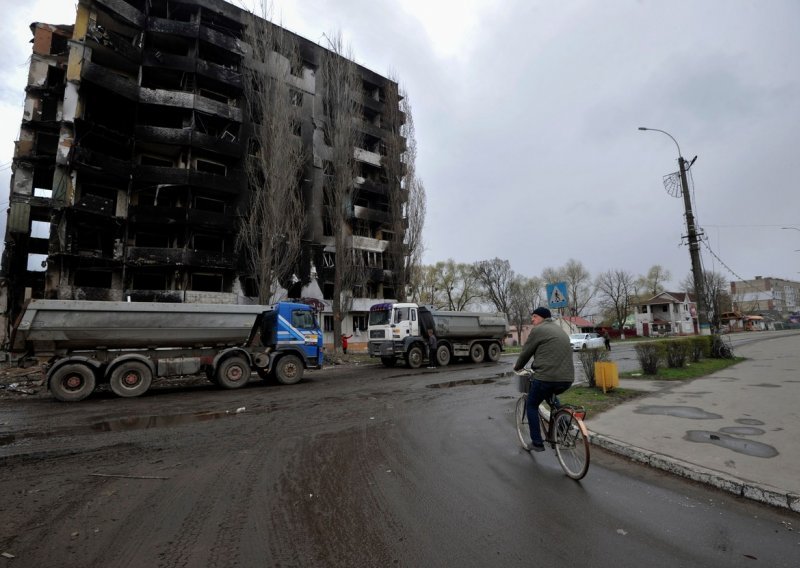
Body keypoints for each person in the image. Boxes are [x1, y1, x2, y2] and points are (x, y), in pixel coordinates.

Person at [513, 307, 574, 452]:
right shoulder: (560, 330)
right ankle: (564, 423)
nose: (532, 320)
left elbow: (526, 352)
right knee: (549, 394)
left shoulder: (538, 330)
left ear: (542, 318)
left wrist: (517, 367)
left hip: (547, 377)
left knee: (532, 405)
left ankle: (537, 443)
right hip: (567, 379)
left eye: (534, 316)